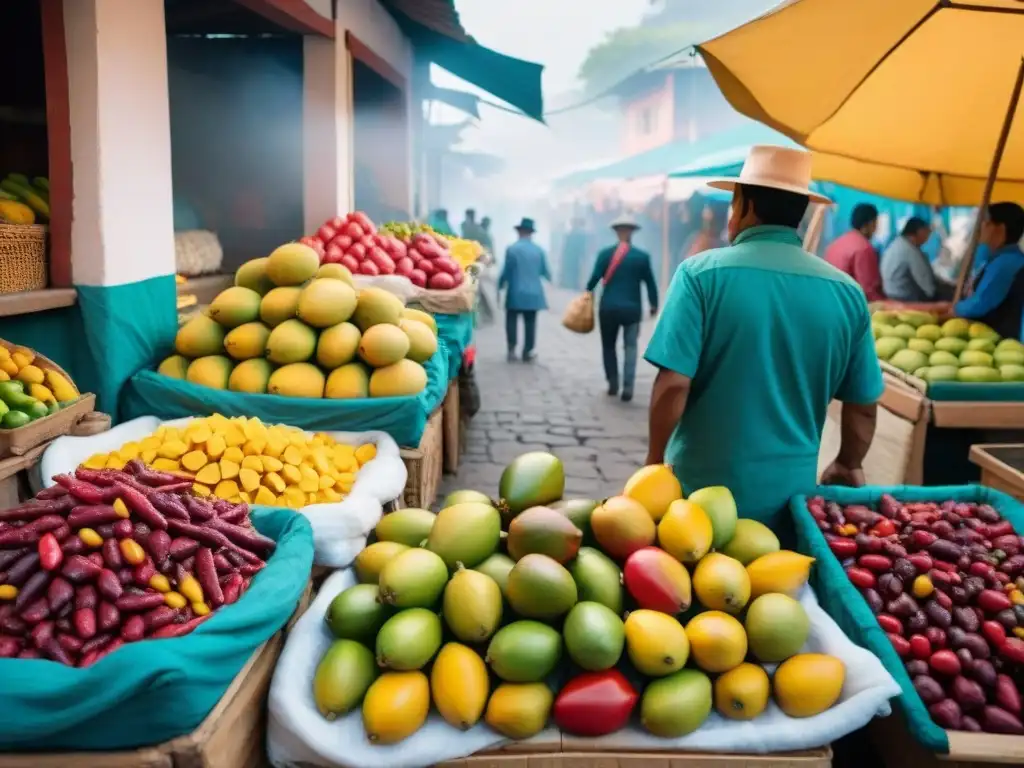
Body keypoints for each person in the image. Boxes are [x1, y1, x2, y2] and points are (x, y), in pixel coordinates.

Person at [644, 145, 883, 529]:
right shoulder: (847, 293)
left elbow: (673, 385)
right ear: (800, 211)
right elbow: (863, 405)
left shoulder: (700, 275)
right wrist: (848, 463)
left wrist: (654, 461)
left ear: (744, 204)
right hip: (789, 508)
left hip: (694, 506)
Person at [586, 216, 658, 402]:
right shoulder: (642, 257)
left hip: (608, 308)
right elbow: (650, 283)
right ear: (632, 232)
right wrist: (653, 304)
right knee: (631, 347)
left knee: (608, 346)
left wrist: (586, 294)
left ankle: (613, 382)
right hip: (632, 310)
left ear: (616, 232)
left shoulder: (604, 254)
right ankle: (628, 386)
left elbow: (594, 279)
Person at [951, 202, 1024, 340]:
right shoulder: (997, 256)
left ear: (1000, 229)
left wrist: (956, 308)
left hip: (998, 341)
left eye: (987, 222)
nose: (982, 226)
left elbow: (980, 304)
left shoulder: (1006, 264)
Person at [498, 217, 551, 362]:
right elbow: (545, 272)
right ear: (531, 233)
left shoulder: (512, 249)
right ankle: (527, 352)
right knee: (530, 323)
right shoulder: (539, 251)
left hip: (515, 291)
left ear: (519, 232)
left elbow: (506, 271)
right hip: (534, 293)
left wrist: (500, 284)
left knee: (511, 320)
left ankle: (511, 350)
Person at [824, 204, 884, 300]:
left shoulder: (835, 244)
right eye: (875, 224)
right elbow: (868, 291)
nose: (875, 230)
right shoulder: (864, 248)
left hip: (830, 300)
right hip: (849, 306)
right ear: (870, 224)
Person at [880, 217, 936, 301]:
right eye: (927, 233)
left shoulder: (897, 243)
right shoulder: (910, 250)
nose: (928, 238)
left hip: (890, 293)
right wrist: (934, 295)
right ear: (920, 231)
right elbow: (925, 281)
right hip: (903, 298)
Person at [560, 217, 589, 291]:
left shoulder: (574, 234)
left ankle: (571, 284)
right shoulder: (574, 234)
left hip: (573, 256)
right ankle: (571, 284)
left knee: (574, 270)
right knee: (574, 270)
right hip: (572, 256)